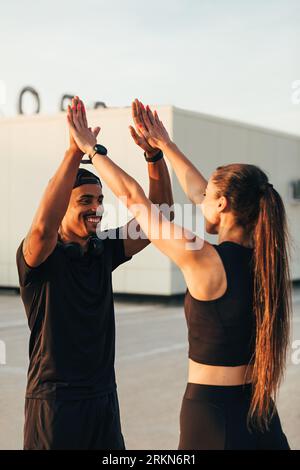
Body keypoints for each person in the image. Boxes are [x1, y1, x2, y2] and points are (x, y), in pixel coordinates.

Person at [67, 97, 292, 450]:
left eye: (208, 197)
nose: (199, 200)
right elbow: (201, 191)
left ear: (222, 205)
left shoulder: (204, 259)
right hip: (261, 416)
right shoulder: (268, 261)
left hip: (213, 418)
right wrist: (164, 147)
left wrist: (92, 150)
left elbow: (136, 200)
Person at [15, 97, 174, 450]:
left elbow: (159, 220)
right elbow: (43, 227)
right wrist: (74, 153)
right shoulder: (40, 256)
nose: (97, 209)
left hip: (103, 396)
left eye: (99, 200)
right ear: (64, 206)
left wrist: (154, 156)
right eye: (85, 201)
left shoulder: (103, 249)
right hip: (55, 402)